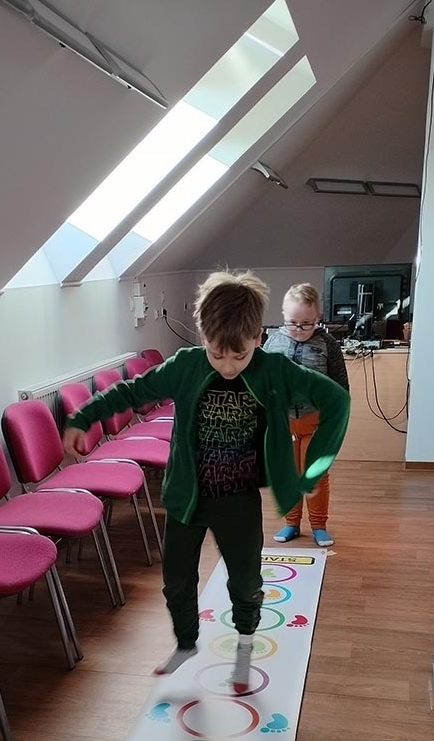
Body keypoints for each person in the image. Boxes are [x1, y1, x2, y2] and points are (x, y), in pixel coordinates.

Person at [63, 270, 350, 691]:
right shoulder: (186, 366)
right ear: (203, 338)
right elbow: (130, 391)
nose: (228, 366)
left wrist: (314, 466)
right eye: (217, 355)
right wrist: (82, 417)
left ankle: (245, 646)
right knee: (176, 580)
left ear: (257, 337)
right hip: (187, 497)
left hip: (238, 501)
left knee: (246, 581)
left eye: (239, 356)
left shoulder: (274, 368)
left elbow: (336, 400)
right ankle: (185, 644)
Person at [263, 283, 350, 546]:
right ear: (283, 315)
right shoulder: (273, 342)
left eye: (306, 324)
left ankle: (319, 525)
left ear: (318, 317)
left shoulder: (328, 344)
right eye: (292, 323)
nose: (299, 330)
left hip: (317, 422)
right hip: (284, 423)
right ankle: (291, 523)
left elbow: (340, 388)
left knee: (316, 475)